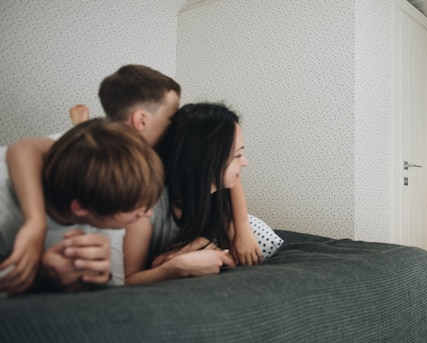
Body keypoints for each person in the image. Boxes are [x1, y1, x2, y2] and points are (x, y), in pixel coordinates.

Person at [4, 64, 260, 292]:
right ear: (141, 120)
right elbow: (23, 149)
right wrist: (35, 222)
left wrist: (242, 229)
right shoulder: (94, 148)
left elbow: (223, 173)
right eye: (172, 117)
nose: (178, 125)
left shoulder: (147, 166)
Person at [0, 119, 163, 294]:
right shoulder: (5, 209)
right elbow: (24, 148)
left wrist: (97, 276)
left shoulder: (105, 211)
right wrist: (42, 276)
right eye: (133, 208)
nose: (148, 214)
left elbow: (114, 288)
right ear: (80, 208)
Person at [123, 102, 247, 285]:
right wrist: (174, 268)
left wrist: (201, 244)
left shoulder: (216, 197)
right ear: (207, 159)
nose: (245, 162)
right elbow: (128, 280)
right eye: (237, 155)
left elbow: (238, 261)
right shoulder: (146, 206)